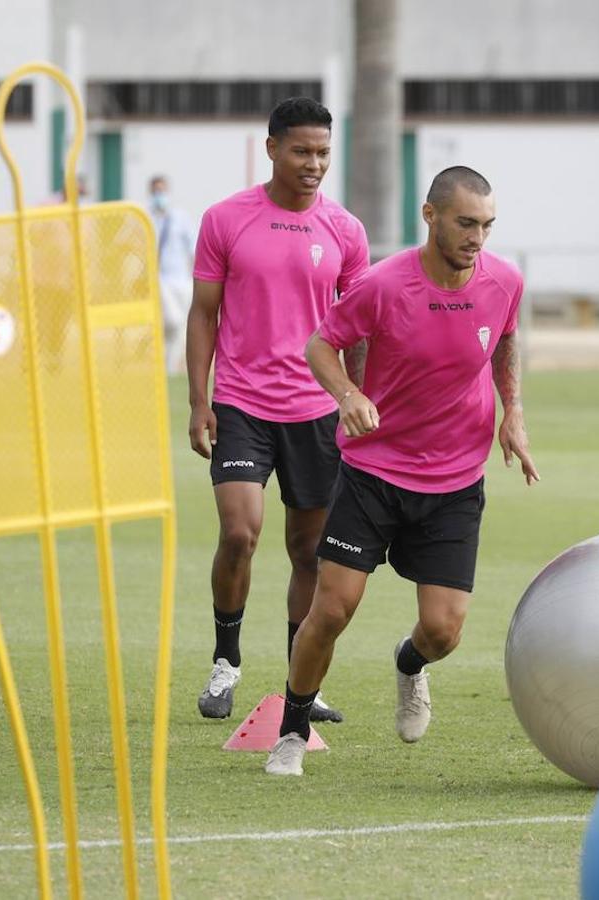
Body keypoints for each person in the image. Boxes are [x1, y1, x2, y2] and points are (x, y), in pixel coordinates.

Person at [265, 166, 538, 777]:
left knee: (443, 632)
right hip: (374, 471)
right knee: (332, 609)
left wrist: (512, 412)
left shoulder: (505, 281)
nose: (477, 238)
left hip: (456, 480)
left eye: (487, 225)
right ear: (430, 215)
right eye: (466, 223)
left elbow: (507, 339)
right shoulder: (386, 285)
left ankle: (409, 665)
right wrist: (347, 396)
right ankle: (292, 727)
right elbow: (320, 345)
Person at [187, 97, 369, 723]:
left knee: (308, 551)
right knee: (240, 532)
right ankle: (225, 661)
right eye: (301, 151)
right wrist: (197, 400)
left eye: (322, 152)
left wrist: (357, 400)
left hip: (316, 412)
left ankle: (301, 682)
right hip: (241, 403)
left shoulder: (345, 230)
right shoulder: (225, 219)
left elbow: (360, 327)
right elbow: (203, 313)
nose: (314, 163)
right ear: (271, 148)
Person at [146, 174, 194, 374]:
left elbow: (192, 248)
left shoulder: (179, 218)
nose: (160, 195)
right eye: (156, 191)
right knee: (173, 321)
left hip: (181, 279)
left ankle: (168, 370)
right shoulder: (146, 218)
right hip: (159, 279)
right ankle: (163, 365)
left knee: (179, 328)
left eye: (162, 190)